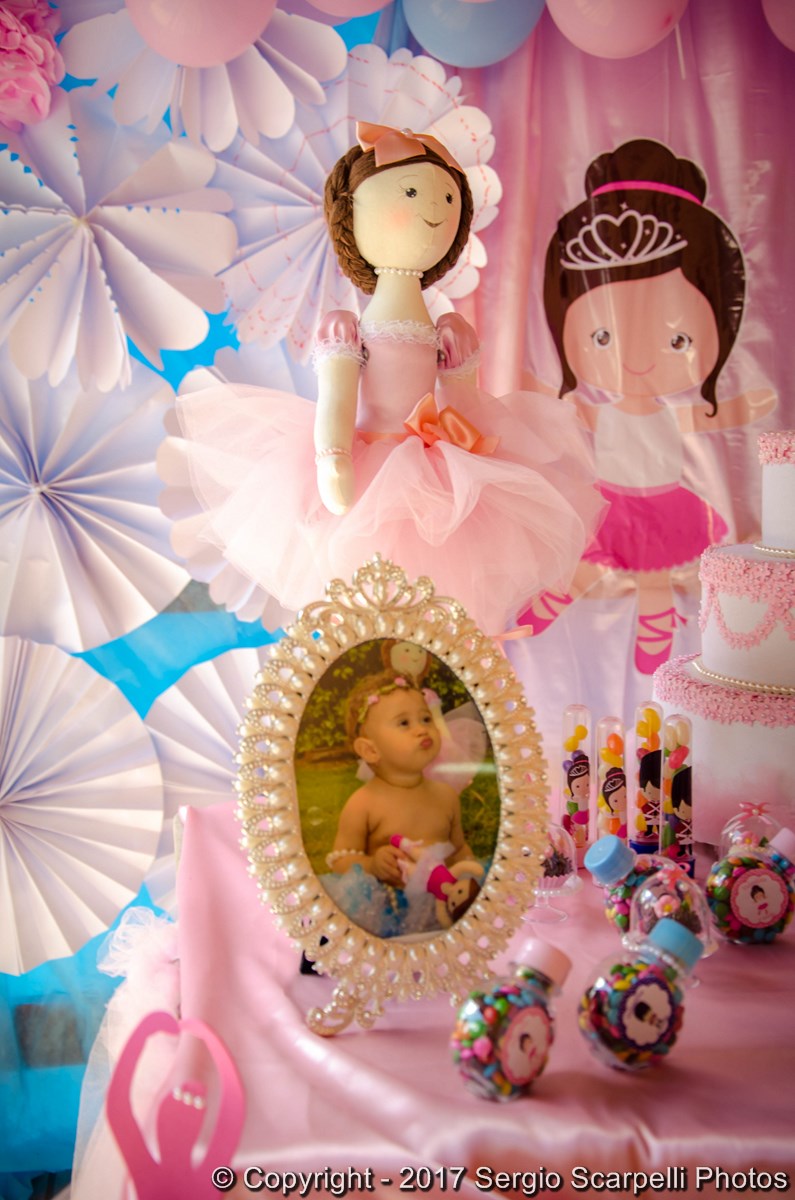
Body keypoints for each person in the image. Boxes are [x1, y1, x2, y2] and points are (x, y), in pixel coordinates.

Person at [158, 122, 604, 635]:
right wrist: (333, 458)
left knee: (431, 595)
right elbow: (337, 400)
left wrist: (475, 448)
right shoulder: (349, 329)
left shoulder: (445, 329)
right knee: (370, 590)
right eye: (411, 193)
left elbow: (464, 406)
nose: (433, 208)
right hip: (372, 465)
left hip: (435, 470)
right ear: (354, 215)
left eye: (446, 197)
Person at [522, 138, 776, 670]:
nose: (636, 360)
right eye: (602, 337)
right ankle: (549, 605)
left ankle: (655, 647)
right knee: (590, 564)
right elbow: (576, 412)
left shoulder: (662, 412)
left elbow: (700, 416)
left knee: (654, 573)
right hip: (611, 500)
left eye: (678, 340)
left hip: (664, 502)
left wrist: (743, 409)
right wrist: (538, 389)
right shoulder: (607, 410)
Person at [322, 670, 477, 936]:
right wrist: (372, 864)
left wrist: (472, 877)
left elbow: (459, 849)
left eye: (426, 718)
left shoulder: (445, 795)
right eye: (404, 723)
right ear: (370, 750)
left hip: (444, 904)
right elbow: (339, 861)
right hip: (389, 911)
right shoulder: (363, 803)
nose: (422, 729)